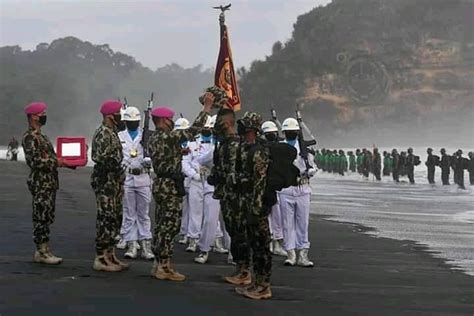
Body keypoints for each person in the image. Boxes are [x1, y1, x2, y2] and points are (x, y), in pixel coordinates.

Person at [147, 96, 212, 281]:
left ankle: (159, 263)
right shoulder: (168, 136)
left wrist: (177, 153)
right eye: (168, 119)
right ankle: (164, 266)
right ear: (161, 120)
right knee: (170, 225)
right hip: (169, 186)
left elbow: (164, 154)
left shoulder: (156, 138)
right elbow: (193, 131)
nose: (171, 122)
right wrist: (206, 109)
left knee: (161, 225)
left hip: (161, 183)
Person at [209, 108, 251, 285]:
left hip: (237, 197)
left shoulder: (235, 145)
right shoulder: (224, 144)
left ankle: (244, 270)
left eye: (219, 122)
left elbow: (237, 173)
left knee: (240, 233)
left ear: (226, 123)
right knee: (233, 232)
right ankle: (239, 268)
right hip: (227, 195)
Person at [22, 102, 68, 265]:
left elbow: (51, 157)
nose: (44, 115)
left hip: (49, 182)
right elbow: (34, 161)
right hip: (40, 183)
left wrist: (67, 159)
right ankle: (41, 251)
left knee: (47, 216)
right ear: (34, 116)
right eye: (42, 113)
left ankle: (45, 249)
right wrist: (57, 162)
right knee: (41, 216)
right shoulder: (30, 137)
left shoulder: (42, 136)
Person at [233, 112, 273, 299]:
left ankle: (264, 286)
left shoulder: (258, 151)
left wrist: (256, 209)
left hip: (256, 205)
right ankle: (257, 283)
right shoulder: (246, 148)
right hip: (247, 201)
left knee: (261, 246)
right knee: (253, 244)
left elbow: (260, 182)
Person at [91, 100, 128, 272]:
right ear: (109, 116)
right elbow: (100, 158)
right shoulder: (103, 134)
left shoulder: (112, 133)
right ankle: (100, 257)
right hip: (105, 183)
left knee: (115, 219)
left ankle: (110, 254)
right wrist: (116, 165)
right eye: (118, 114)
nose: (121, 117)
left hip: (114, 184)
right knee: (105, 219)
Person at [117, 106, 154, 260]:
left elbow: (154, 153)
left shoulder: (146, 135)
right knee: (129, 213)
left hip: (143, 178)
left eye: (135, 121)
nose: (133, 123)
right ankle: (132, 244)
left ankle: (146, 245)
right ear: (125, 121)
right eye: (130, 121)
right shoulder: (120, 136)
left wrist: (149, 161)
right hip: (127, 178)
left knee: (143, 214)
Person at [193, 115, 231, 264]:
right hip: (213, 186)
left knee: (229, 222)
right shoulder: (212, 146)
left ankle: (233, 252)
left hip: (228, 187)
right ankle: (204, 250)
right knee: (210, 220)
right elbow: (201, 160)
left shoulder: (232, 145)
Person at [279, 118, 316, 267]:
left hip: (303, 188)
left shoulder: (304, 148)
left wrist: (312, 170)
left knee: (302, 223)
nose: (291, 133)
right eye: (288, 132)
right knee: (287, 224)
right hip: (286, 188)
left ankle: (303, 253)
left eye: (293, 131)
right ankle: (290, 253)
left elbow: (313, 165)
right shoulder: (279, 147)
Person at [182, 116, 216, 253]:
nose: (207, 130)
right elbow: (185, 163)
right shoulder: (192, 144)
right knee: (195, 212)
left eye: (209, 128)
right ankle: (193, 239)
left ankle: (215, 240)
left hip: (212, 181)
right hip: (196, 181)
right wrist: (194, 175)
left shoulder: (217, 144)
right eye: (205, 128)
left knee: (211, 214)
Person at [261, 121, 286, 257]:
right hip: (264, 185)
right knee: (266, 216)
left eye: (273, 134)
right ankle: (269, 243)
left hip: (276, 185)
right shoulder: (260, 148)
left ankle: (277, 243)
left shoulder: (280, 148)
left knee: (277, 217)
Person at [175, 118, 192, 246]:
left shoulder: (193, 143)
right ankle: (184, 232)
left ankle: (191, 234)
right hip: (178, 178)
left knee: (194, 210)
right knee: (183, 209)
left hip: (191, 179)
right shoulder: (174, 142)